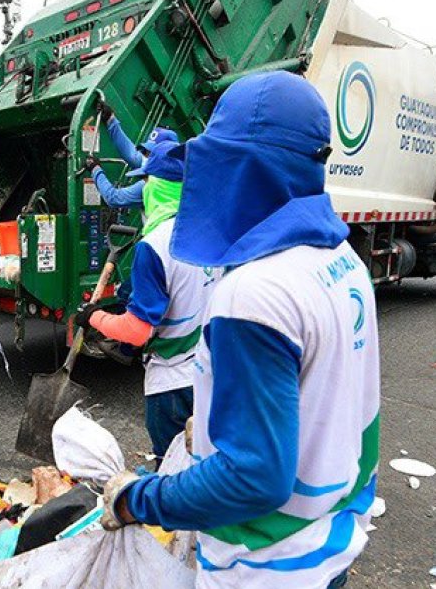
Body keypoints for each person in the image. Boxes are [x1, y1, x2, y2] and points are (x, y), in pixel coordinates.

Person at [100, 72, 380, 589]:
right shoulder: (341, 260)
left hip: (264, 568)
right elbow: (326, 401)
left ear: (237, 167)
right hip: (329, 547)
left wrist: (135, 498)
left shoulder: (255, 292)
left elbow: (254, 477)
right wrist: (208, 430)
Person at [75, 141, 217, 464]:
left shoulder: (154, 247)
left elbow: (138, 331)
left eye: (148, 182)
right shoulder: (207, 232)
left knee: (169, 471)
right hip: (207, 372)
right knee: (203, 465)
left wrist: (94, 317)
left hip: (170, 385)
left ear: (158, 188)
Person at [86, 104, 179, 209]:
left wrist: (96, 170)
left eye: (151, 152)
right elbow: (133, 156)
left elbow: (114, 199)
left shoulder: (154, 184)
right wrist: (111, 121)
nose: (146, 155)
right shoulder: (175, 169)